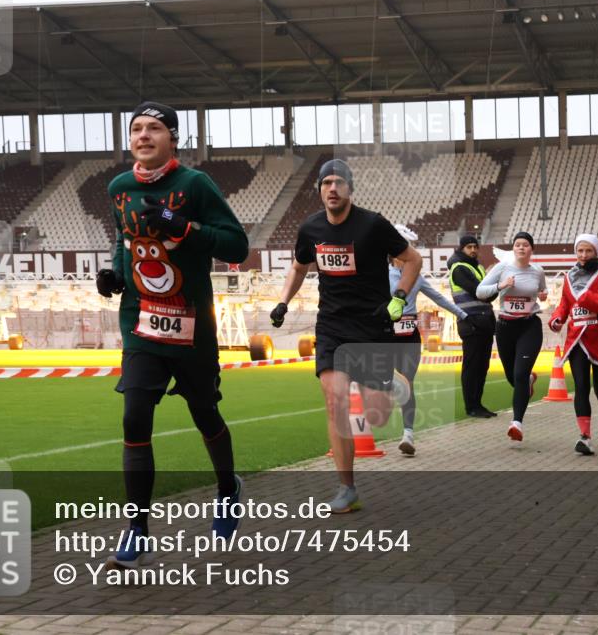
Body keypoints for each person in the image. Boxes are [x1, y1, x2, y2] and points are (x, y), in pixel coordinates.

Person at [95, 101, 249, 568]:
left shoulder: (195, 185)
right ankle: (137, 527)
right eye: (136, 128)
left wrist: (186, 227)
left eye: (155, 129)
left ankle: (228, 489)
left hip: (192, 327)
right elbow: (127, 243)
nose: (144, 135)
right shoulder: (119, 188)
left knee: (205, 413)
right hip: (141, 324)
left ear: (173, 138)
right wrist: (116, 275)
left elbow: (236, 244)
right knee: (134, 417)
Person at [269, 159, 422, 513]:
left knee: (375, 411)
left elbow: (413, 260)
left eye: (339, 182)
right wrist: (282, 302)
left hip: (371, 323)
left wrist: (399, 298)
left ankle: (391, 383)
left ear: (350, 188)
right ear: (320, 190)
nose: (332, 188)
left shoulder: (373, 225)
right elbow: (298, 264)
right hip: (333, 325)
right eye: (326, 183)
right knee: (335, 399)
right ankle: (347, 488)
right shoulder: (311, 228)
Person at [388, 224, 469, 456]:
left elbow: (439, 299)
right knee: (390, 380)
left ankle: (408, 435)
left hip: (411, 335)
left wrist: (463, 315)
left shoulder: (418, 278)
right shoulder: (382, 275)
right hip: (387, 335)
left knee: (407, 383)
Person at [548, 234, 598, 455]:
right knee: (581, 387)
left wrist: (591, 300)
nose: (583, 256)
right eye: (580, 251)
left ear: (596, 252)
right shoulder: (569, 277)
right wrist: (558, 318)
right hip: (577, 338)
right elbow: (565, 302)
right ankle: (585, 437)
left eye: (588, 251)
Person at [475, 231, 548, 443]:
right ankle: (529, 380)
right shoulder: (502, 268)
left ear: (531, 249)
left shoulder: (538, 271)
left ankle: (517, 423)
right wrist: (501, 285)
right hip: (505, 327)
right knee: (512, 377)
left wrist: (543, 294)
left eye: (526, 245)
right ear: (513, 248)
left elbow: (542, 291)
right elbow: (480, 292)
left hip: (529, 326)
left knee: (519, 375)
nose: (522, 248)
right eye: (518, 244)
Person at [447, 235, 497, 418]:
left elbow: (488, 294)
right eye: (469, 247)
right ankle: (472, 406)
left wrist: (490, 292)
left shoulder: (478, 268)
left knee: (482, 366)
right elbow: (481, 293)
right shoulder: (459, 268)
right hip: (471, 323)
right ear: (461, 249)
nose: (473, 250)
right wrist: (492, 291)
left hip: (483, 322)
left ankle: (478, 404)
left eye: (475, 246)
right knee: (472, 365)